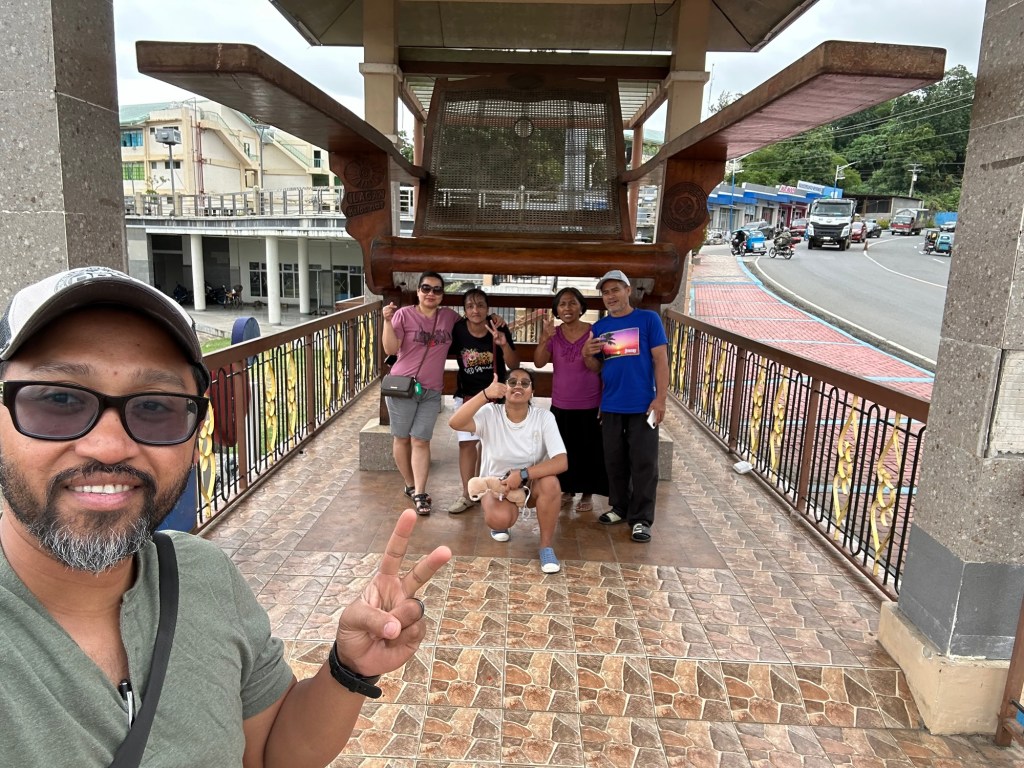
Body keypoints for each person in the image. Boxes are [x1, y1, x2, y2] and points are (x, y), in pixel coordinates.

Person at [0, 266, 451, 766]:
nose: (109, 446)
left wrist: (349, 669)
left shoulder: (201, 575)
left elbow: (270, 753)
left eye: (155, 406)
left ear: (196, 432)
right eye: (59, 399)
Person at [448, 369, 568, 574]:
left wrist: (522, 474)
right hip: (496, 485)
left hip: (529, 482)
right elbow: (455, 422)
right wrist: (485, 394)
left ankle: (546, 547)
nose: (518, 386)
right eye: (512, 382)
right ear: (504, 389)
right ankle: (500, 523)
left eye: (525, 383)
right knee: (500, 519)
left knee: (551, 483)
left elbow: (561, 461)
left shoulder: (544, 417)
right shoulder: (490, 413)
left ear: (532, 391)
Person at [583, 269, 669, 544]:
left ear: (628, 291)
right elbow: (597, 368)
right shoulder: (600, 327)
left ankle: (642, 518)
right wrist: (586, 354)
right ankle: (620, 507)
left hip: (643, 405)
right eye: (605, 292)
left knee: (644, 463)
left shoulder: (648, 320)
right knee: (614, 460)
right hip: (611, 405)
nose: (610, 296)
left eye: (615, 290)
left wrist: (660, 399)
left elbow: (661, 360)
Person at [381, 271, 461, 515]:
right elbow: (390, 348)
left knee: (421, 440)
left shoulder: (449, 317)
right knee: (402, 438)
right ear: (418, 291)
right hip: (402, 387)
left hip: (431, 390)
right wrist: (387, 321)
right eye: (426, 288)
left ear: (442, 295)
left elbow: (472, 327)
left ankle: (420, 492)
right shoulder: (404, 315)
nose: (431, 293)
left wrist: (495, 322)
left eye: (437, 290)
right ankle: (410, 485)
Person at [533, 286, 608, 514]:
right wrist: (544, 338)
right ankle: (567, 490)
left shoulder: (594, 332)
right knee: (563, 449)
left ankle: (587, 492)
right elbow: (538, 363)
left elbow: (599, 368)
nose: (567, 308)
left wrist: (586, 355)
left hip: (590, 403)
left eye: (572, 303)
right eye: (562, 304)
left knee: (589, 450)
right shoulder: (554, 334)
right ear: (556, 309)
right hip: (561, 403)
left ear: (581, 307)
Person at [446, 288, 519, 515]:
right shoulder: (458, 329)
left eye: (480, 305)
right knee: (467, 445)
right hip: (468, 396)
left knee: (492, 446)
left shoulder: (498, 327)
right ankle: (468, 494)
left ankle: (489, 490)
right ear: (464, 310)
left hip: (496, 398)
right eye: (470, 306)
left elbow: (514, 364)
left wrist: (503, 343)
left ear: (488, 308)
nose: (475, 310)